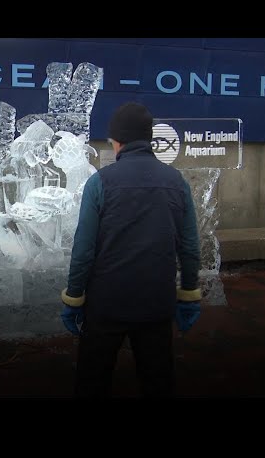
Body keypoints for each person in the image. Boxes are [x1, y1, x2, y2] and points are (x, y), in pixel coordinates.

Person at [60, 102, 202, 398]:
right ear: (149, 140)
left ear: (117, 141)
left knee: (92, 381)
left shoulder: (99, 182)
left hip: (106, 304)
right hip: (156, 303)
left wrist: (74, 297)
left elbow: (84, 248)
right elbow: (189, 245)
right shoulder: (177, 182)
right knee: (158, 381)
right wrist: (188, 293)